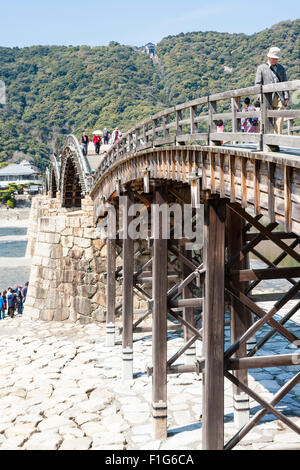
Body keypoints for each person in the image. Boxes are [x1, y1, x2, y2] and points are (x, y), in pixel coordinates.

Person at [255, 47, 289, 147]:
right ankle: (266, 142)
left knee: (279, 119)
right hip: (267, 98)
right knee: (266, 120)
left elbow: (285, 83)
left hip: (279, 96)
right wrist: (259, 96)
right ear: (269, 57)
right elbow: (257, 84)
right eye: (273, 58)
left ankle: (277, 142)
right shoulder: (261, 68)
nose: (275, 60)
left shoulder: (281, 68)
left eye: (276, 58)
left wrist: (286, 97)